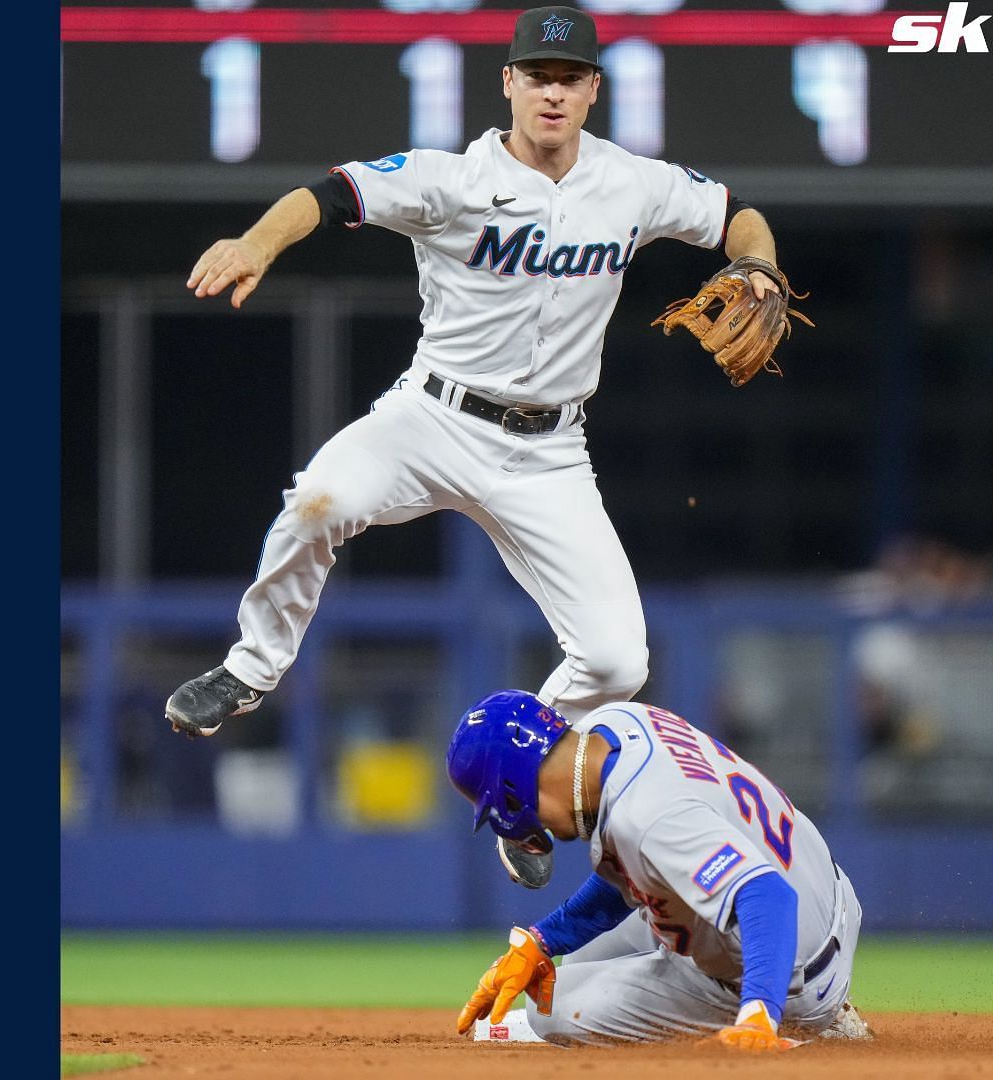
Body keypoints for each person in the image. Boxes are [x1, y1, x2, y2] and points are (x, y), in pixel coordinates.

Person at [162, 6, 793, 888]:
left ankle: (519, 782)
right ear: (508, 83)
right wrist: (256, 241)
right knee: (319, 502)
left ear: (594, 91)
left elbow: (737, 215)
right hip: (431, 419)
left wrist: (758, 266)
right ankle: (248, 668)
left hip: (551, 452)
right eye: (537, 76)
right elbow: (330, 193)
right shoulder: (448, 178)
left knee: (619, 658)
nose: (553, 92)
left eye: (570, 79)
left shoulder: (632, 183)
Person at [446, 690, 870, 1048]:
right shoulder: (618, 722)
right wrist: (543, 940)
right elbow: (639, 865)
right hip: (823, 889)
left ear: (512, 795)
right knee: (565, 967)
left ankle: (804, 1024)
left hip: (789, 964)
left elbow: (767, 896)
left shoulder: (645, 818)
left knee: (549, 1012)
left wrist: (760, 1012)